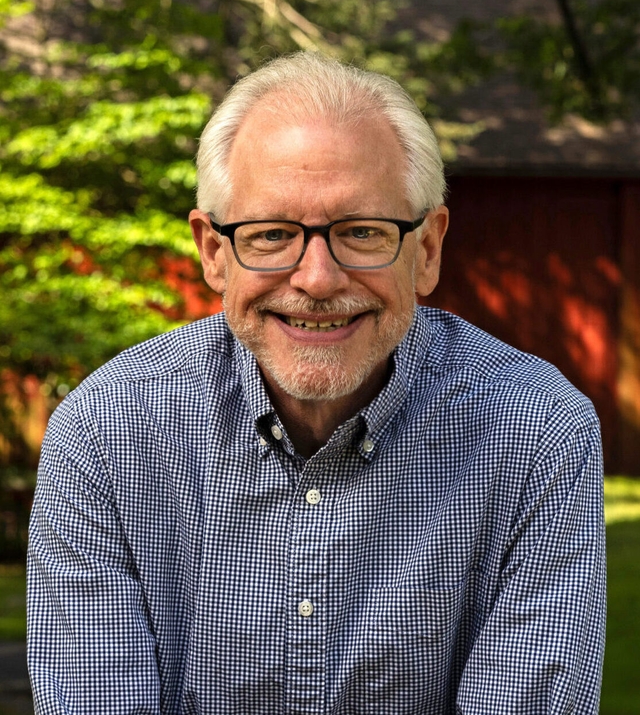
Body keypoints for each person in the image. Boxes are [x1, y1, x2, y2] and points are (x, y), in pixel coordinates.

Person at [27, 53, 606, 714]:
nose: (317, 279)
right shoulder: (104, 436)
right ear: (214, 252)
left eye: (361, 231)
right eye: (272, 234)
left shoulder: (538, 435)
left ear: (428, 249)